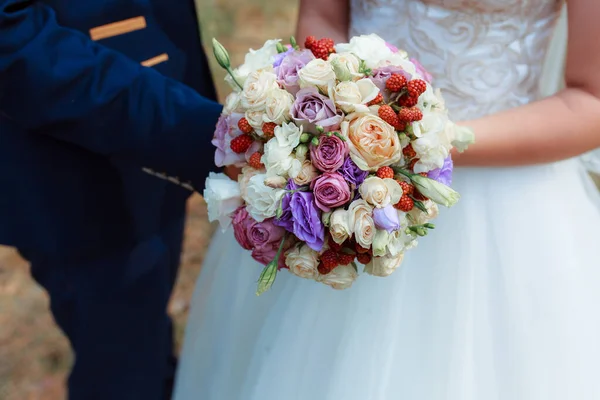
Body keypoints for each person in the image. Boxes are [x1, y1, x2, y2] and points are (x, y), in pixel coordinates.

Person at [173, 1, 600, 399]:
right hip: (343, 176)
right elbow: (322, 18)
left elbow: (591, 100)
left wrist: (428, 141)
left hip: (507, 204)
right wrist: (335, 104)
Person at [0, 0, 221, 399]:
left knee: (146, 338)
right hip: (72, 173)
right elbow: (13, 41)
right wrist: (201, 136)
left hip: (157, 114)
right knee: (120, 370)